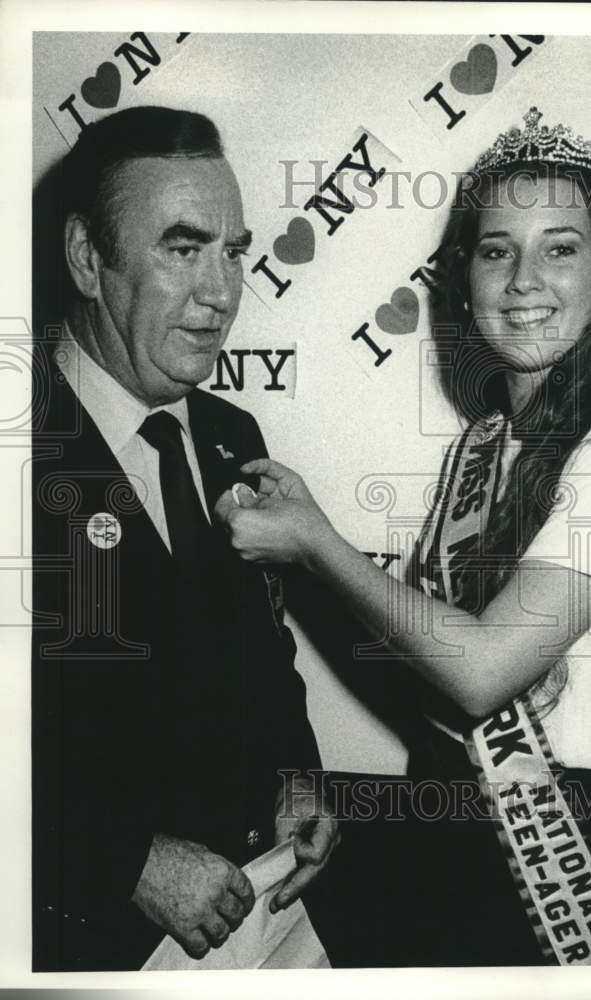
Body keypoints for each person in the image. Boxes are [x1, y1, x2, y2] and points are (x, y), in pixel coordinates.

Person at [216, 108, 591, 966]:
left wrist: (318, 546)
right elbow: (435, 677)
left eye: (561, 247)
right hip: (447, 822)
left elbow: (480, 672)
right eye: (495, 249)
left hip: (568, 850)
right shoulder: (481, 444)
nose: (523, 279)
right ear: (465, 277)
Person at [31, 106, 338, 972]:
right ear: (88, 259)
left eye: (233, 251)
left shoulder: (234, 434)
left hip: (269, 919)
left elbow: (260, 653)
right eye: (182, 248)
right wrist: (122, 860)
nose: (223, 292)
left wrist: (297, 775)